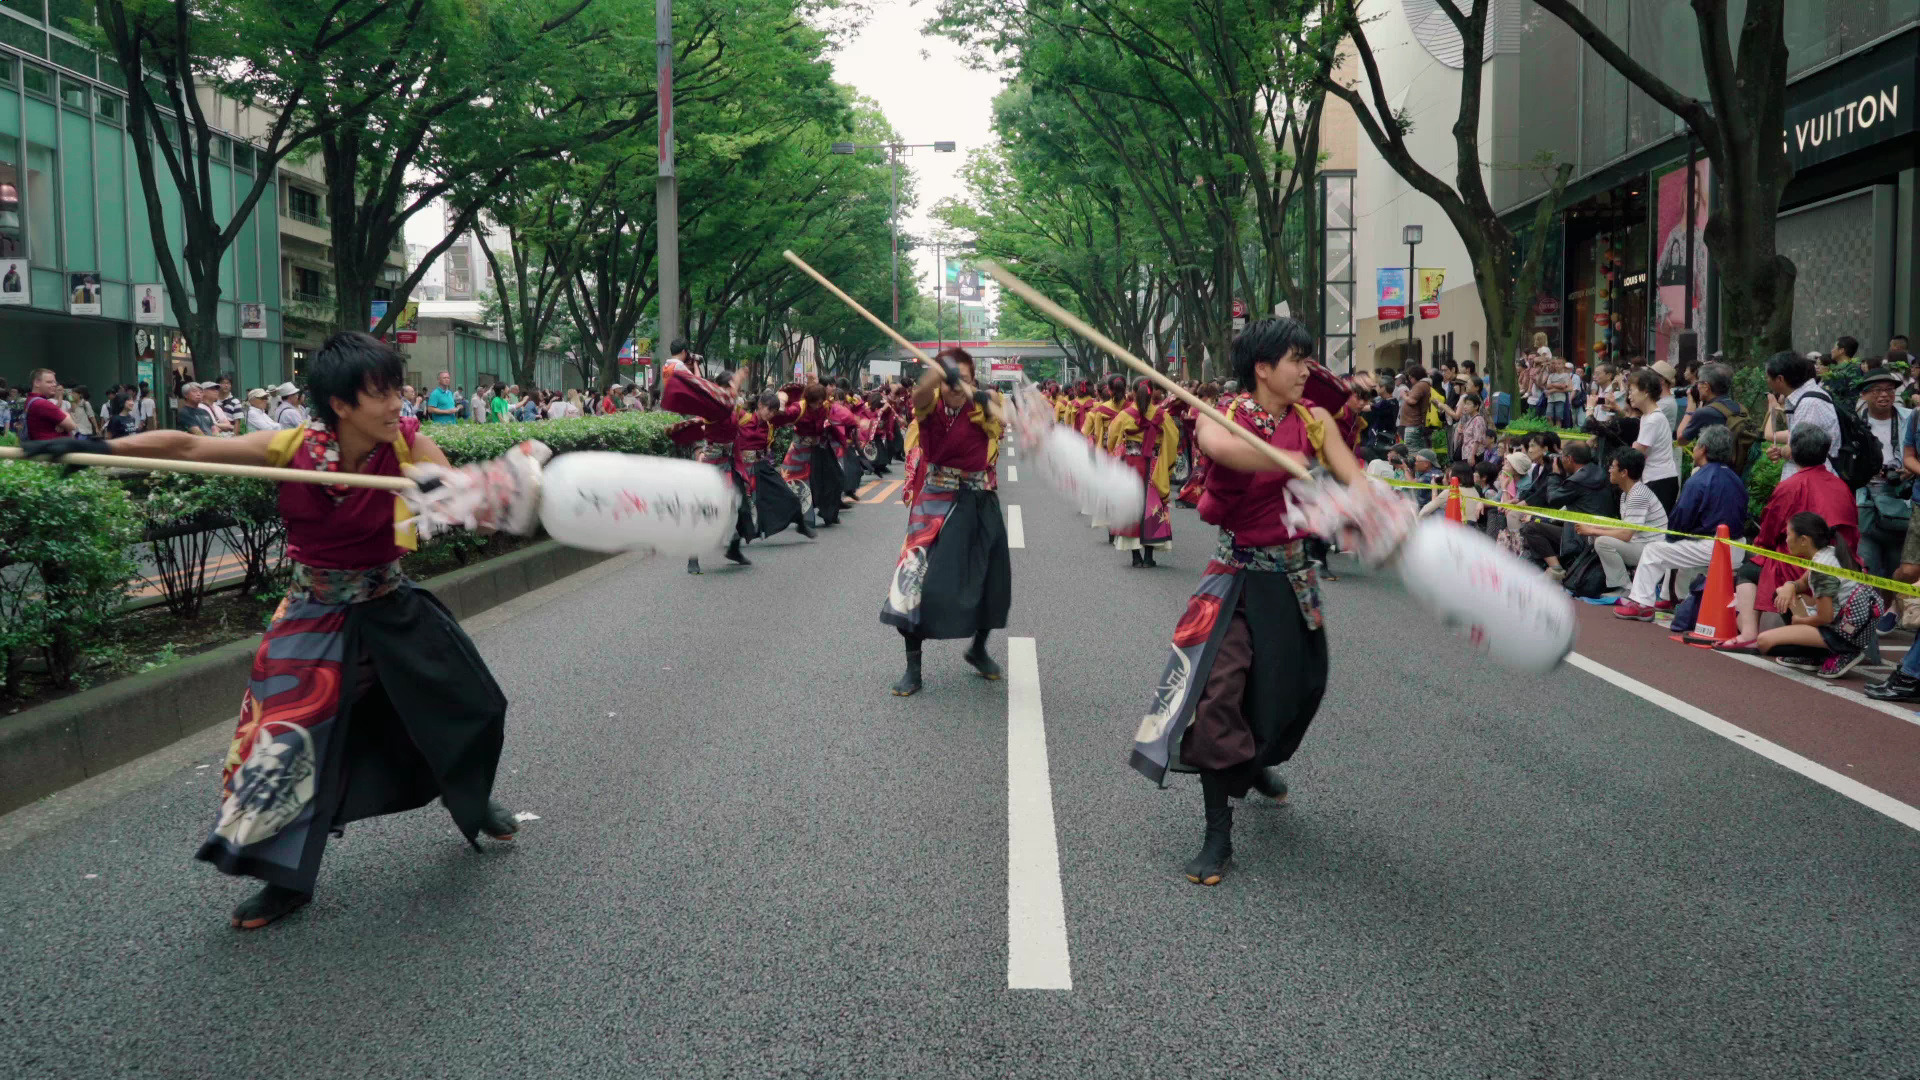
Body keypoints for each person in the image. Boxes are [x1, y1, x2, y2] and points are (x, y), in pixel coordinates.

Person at [18, 331, 524, 929]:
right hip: (313, 613)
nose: (398, 403)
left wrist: (456, 494)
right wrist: (91, 443)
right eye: (382, 393)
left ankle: (465, 791)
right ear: (341, 404)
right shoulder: (293, 447)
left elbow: (469, 505)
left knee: (470, 704)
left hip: (390, 604)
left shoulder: (411, 445)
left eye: (398, 389)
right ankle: (283, 881)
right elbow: (185, 447)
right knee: (277, 747)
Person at [1129, 317, 1389, 887]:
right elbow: (1227, 453)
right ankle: (1217, 834)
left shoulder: (1315, 420)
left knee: (1294, 690)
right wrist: (1289, 462)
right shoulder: (1221, 417)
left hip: (1295, 583)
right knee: (1220, 695)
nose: (1307, 371)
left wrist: (1374, 507)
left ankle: (1256, 759)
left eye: (1307, 358)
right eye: (1296, 360)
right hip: (1238, 580)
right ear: (1263, 368)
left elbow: (1353, 477)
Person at [880, 348, 1010, 697]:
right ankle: (913, 668)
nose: (956, 388)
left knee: (991, 581)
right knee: (912, 583)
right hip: (935, 502)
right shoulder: (931, 406)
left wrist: (981, 395)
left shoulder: (983, 405)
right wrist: (938, 373)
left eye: (964, 380)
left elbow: (1005, 418)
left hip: (979, 501)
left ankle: (978, 648)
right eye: (950, 381)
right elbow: (920, 394)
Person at [1716, 427, 1860, 650]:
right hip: (1845, 561)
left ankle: (1748, 633)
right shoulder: (1842, 486)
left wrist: (1763, 548)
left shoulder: (1790, 486)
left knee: (1749, 570)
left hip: (1801, 564)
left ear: (1794, 452)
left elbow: (1768, 532)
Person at [1719, 513, 1879, 679]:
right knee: (1780, 593)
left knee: (1764, 642)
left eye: (1788, 535)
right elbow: (1802, 583)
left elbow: (1825, 617)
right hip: (1852, 625)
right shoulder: (1827, 553)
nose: (1786, 540)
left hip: (1845, 632)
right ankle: (1815, 653)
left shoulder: (1821, 570)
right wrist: (1789, 586)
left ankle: (1841, 651)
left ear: (1803, 540)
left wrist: (1800, 622)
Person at [1613, 426, 1748, 620]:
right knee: (1679, 551)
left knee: (1655, 550)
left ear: (1702, 449)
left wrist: (1672, 538)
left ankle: (1642, 603)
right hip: (1737, 545)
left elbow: (1680, 520)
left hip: (1713, 547)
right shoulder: (1736, 479)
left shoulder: (1699, 479)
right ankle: (1672, 598)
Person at [1104, 377, 1179, 567]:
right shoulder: (1163, 416)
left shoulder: (1124, 415)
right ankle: (1149, 557)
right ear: (1152, 391)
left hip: (1130, 464)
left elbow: (1112, 438)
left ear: (1134, 391)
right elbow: (1173, 440)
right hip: (1154, 467)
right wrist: (1166, 464)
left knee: (1130, 505)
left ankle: (1135, 557)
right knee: (1151, 507)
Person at [1574, 448, 1668, 597]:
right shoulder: (1627, 494)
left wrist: (1592, 530)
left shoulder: (1638, 495)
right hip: (1642, 544)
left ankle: (1625, 588)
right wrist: (1595, 527)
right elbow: (1625, 528)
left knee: (1602, 542)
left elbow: (1626, 535)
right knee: (1598, 537)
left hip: (1651, 549)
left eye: (1613, 467)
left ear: (1624, 472)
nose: (1610, 470)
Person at [1521, 440, 1614, 577]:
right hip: (1597, 531)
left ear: (1569, 459)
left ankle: (1557, 570)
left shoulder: (1577, 480)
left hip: (1581, 536)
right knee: (1541, 522)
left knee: (1531, 528)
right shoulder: (1597, 471)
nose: (1560, 460)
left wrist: (1555, 474)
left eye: (1562, 456)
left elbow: (1553, 499)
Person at [1854, 369, 1911, 582]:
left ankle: (1894, 614)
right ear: (1865, 394)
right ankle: (1875, 612)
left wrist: (1911, 469)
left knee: (1901, 566)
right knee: (1868, 563)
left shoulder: (1911, 418)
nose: (1884, 395)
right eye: (1877, 390)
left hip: (1901, 498)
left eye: (1889, 390)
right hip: (1865, 499)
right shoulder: (1855, 423)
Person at [1762, 350, 1839, 481]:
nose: (1767, 381)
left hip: (1812, 485)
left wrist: (1782, 451)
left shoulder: (1809, 403)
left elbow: (1802, 451)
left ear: (1780, 379)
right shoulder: (1802, 398)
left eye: (1768, 377)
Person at [1627, 368, 1680, 513]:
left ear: (1646, 392)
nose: (1629, 395)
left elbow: (1637, 452)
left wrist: (1634, 446)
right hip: (1656, 478)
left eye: (1632, 390)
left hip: (1660, 480)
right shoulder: (1647, 417)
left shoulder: (1653, 419)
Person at [21, 369, 75, 441]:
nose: (54, 385)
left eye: (55, 382)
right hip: (51, 448)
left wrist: (61, 421)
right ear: (37, 383)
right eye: (49, 382)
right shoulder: (42, 403)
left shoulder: (31, 400)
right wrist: (65, 416)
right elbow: (71, 425)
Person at [1396, 364, 1432, 446]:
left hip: (1412, 424)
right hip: (1411, 424)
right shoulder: (1422, 385)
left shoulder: (1420, 385)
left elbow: (1412, 401)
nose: (1410, 380)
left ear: (1415, 376)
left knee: (1411, 450)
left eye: (1410, 377)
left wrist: (1404, 395)